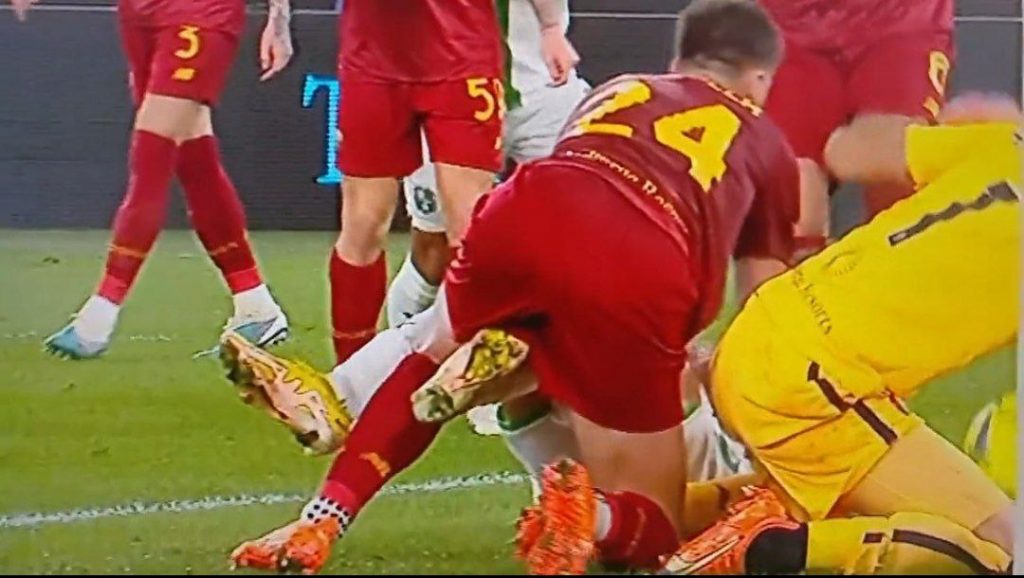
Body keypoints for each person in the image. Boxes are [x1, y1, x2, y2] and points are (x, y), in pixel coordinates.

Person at [219, 1, 799, 573]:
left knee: (435, 351)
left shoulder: (621, 88)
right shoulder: (767, 141)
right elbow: (764, 308)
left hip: (521, 208)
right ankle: (591, 515)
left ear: (679, 62)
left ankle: (325, 506)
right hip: (638, 262)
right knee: (660, 532)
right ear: (760, 78)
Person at [663, 94, 1021, 575]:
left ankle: (606, 520)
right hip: (817, 384)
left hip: (761, 328)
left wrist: (953, 132)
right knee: (1007, 546)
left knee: (827, 495)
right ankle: (769, 549)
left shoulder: (1005, 146)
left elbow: (846, 152)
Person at [10, 0, 294, 358]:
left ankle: (100, 314)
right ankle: (255, 304)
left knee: (151, 158)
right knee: (195, 162)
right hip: (140, 12)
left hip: (199, 13)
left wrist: (279, 16)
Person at [327, 0, 579, 364]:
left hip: (463, 56)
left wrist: (551, 27)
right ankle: (350, 375)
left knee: (469, 231)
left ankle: (467, 374)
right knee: (365, 224)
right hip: (373, 56)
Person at [759, 0, 955, 258]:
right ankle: (797, 281)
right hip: (788, 26)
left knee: (895, 175)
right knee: (786, 211)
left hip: (900, 19)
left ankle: (895, 272)